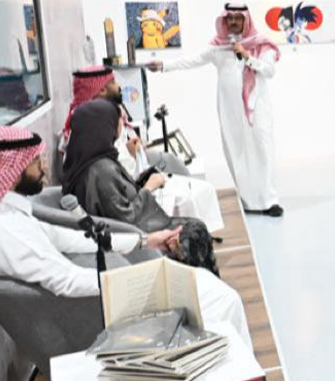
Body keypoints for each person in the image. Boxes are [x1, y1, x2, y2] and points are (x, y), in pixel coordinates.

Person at [0, 125, 252, 349]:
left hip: (107, 295)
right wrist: (138, 280)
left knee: (211, 288)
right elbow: (66, 281)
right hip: (101, 314)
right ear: (13, 168)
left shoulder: (13, 213)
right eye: (36, 161)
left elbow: (72, 239)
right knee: (223, 299)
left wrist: (146, 241)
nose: (45, 167)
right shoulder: (9, 230)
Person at [147, 4, 283, 217]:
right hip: (230, 111)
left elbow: (269, 71)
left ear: (246, 20)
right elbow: (192, 60)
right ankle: (248, 201)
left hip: (257, 110)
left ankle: (269, 200)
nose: (234, 22)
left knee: (263, 152)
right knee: (236, 153)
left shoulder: (261, 45)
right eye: (231, 18)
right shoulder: (219, 47)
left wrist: (247, 56)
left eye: (238, 18)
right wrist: (163, 65)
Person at [62, 99, 220, 274]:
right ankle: (202, 283)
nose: (120, 123)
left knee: (195, 227)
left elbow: (115, 199)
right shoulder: (102, 170)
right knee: (196, 231)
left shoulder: (84, 161)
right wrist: (148, 188)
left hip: (121, 232)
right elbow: (126, 218)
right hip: (134, 235)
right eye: (116, 119)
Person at [61, 66, 189, 177]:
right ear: (102, 90)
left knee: (171, 161)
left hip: (130, 166)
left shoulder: (102, 113)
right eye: (113, 82)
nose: (119, 86)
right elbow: (109, 169)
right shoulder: (91, 122)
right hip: (124, 179)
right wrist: (132, 154)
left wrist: (134, 148)